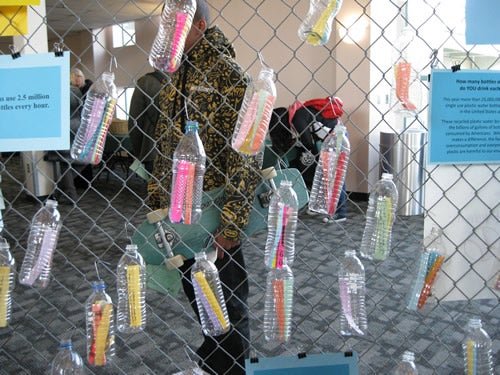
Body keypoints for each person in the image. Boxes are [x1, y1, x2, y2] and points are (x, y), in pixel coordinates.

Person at [146, 1, 261, 374]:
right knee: (200, 298)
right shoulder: (174, 77)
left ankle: (231, 370)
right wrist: (157, 199)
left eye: (173, 23)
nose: (165, 31)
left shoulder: (227, 74)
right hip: (181, 216)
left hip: (215, 214)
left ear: (197, 25)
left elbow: (247, 151)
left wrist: (231, 223)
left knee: (226, 303)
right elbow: (164, 144)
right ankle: (212, 365)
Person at [269, 96, 347, 221]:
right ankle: (323, 208)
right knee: (330, 175)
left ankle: (340, 213)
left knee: (335, 175)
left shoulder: (297, 118)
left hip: (336, 138)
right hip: (334, 136)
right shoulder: (297, 113)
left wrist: (301, 145)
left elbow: (308, 143)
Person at [128, 69, 166, 174]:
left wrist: (139, 152)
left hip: (153, 149)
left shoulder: (146, 82)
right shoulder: (188, 77)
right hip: (185, 150)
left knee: (156, 188)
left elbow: (135, 122)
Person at [70, 67, 94, 186]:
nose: (78, 79)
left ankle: (85, 181)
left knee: (84, 153)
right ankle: (76, 180)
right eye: (75, 77)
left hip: (86, 126)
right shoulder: (71, 92)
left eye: (79, 76)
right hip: (75, 126)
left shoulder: (89, 89)